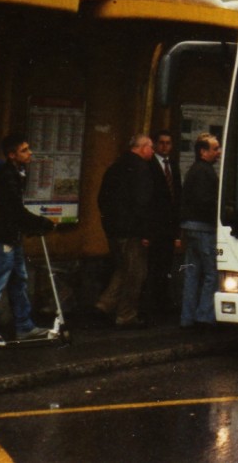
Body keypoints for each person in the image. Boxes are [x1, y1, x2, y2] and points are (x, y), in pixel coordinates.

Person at [0, 132, 55, 348]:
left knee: (19, 279)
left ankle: (24, 326)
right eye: (24, 150)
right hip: (3, 237)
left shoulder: (15, 173)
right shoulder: (8, 176)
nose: (30, 152)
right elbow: (15, 211)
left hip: (11, 236)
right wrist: (42, 223)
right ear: (12, 155)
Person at [95, 134, 156, 329]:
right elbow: (143, 204)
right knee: (136, 273)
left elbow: (102, 198)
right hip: (132, 231)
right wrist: (145, 233)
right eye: (151, 148)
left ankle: (104, 305)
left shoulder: (115, 166)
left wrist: (109, 222)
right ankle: (126, 315)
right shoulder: (141, 169)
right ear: (142, 148)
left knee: (122, 269)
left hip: (113, 229)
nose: (153, 152)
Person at [180, 133, 221, 329]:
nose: (218, 152)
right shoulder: (206, 172)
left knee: (191, 274)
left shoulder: (194, 170)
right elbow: (206, 202)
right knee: (212, 274)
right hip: (204, 228)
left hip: (189, 226)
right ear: (203, 152)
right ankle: (204, 316)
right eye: (215, 149)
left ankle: (187, 317)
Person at [145, 129, 182, 318]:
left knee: (166, 267)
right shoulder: (150, 165)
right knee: (154, 268)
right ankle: (152, 307)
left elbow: (176, 196)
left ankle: (162, 304)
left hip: (169, 226)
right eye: (161, 143)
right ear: (156, 144)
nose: (165, 146)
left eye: (168, 143)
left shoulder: (173, 165)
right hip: (156, 226)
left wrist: (177, 231)